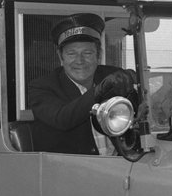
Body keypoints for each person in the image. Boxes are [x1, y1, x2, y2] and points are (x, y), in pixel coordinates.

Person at [26, 13, 133, 154]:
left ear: (98, 55)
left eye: (87, 53)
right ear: (60, 57)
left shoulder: (110, 75)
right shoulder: (42, 86)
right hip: (70, 171)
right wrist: (99, 91)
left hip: (120, 167)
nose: (80, 61)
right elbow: (62, 119)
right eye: (71, 54)